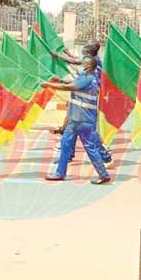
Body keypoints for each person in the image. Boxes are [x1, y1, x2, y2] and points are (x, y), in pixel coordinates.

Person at [43, 56, 111, 184]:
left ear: (89, 66)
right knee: (65, 144)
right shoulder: (85, 77)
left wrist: (49, 85)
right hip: (75, 119)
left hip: (84, 120)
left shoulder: (89, 80)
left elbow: (69, 87)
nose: (81, 65)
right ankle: (60, 173)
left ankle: (103, 175)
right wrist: (57, 80)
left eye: (83, 63)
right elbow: (68, 83)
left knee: (90, 148)